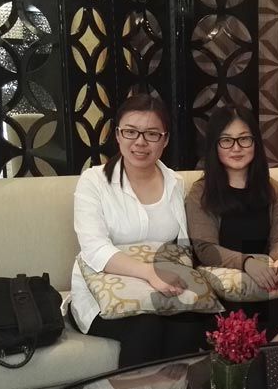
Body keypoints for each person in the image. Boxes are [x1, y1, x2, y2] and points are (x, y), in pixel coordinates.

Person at [70, 94, 208, 368]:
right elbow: (95, 249)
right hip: (103, 292)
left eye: (152, 134)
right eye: (130, 131)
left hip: (163, 288)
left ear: (165, 140)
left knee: (189, 324)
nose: (140, 142)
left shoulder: (175, 183)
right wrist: (149, 273)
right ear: (117, 135)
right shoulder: (93, 181)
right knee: (146, 327)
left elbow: (182, 246)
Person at [185, 105, 278, 341]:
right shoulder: (201, 192)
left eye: (244, 139)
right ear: (214, 146)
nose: (236, 148)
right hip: (224, 289)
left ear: (255, 143)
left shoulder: (272, 189)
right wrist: (247, 263)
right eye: (226, 140)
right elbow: (205, 249)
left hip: (267, 285)